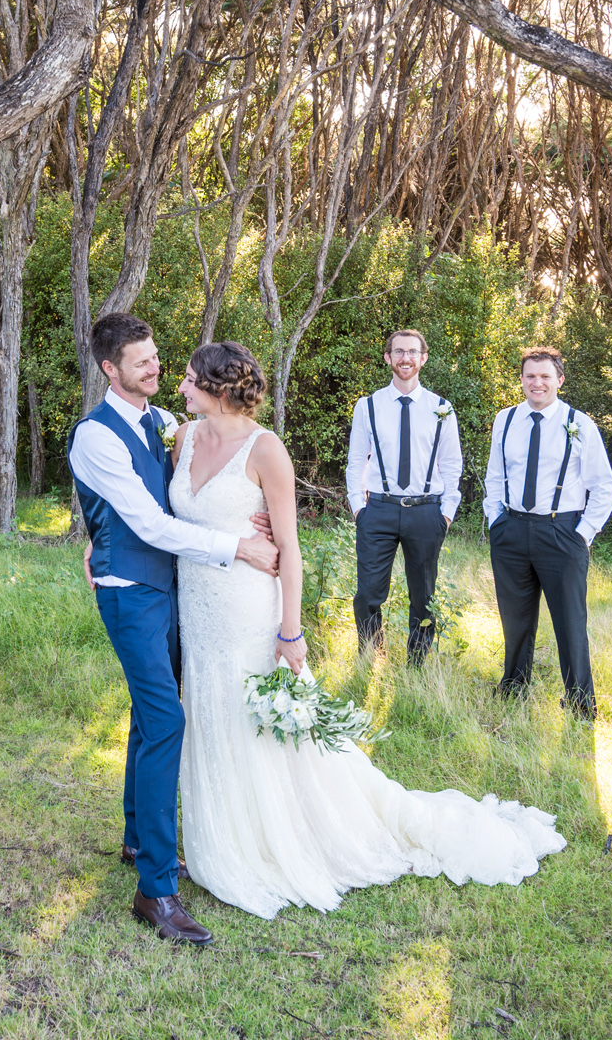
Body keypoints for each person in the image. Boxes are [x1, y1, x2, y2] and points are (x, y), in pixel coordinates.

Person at [172, 341, 566, 919]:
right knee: (208, 714)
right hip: (196, 611)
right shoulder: (180, 437)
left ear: (218, 387)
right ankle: (221, 827)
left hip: (248, 614)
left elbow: (291, 549)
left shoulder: (266, 450)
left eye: (187, 378)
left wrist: (290, 631)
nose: (178, 386)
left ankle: (269, 838)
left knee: (257, 725)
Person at [66, 314, 281, 946]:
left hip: (177, 593)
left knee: (146, 716)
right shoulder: (94, 437)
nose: (155, 369)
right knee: (166, 721)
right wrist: (237, 546)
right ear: (111, 369)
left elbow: (210, 454)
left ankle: (137, 841)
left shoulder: (162, 423)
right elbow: (147, 526)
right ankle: (156, 889)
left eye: (157, 358)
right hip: (131, 594)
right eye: (141, 362)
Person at [482, 346, 612, 716]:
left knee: (570, 621)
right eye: (530, 376)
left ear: (559, 380)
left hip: (562, 532)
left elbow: (603, 486)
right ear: (522, 380)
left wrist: (583, 533)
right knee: (515, 618)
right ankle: (513, 686)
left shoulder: (579, 423)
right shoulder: (505, 419)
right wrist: (496, 520)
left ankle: (579, 701)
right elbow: (495, 475)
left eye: (544, 376)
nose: (536, 383)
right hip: (511, 530)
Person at [345, 328, 463, 664]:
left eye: (412, 352)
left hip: (426, 512)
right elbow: (355, 461)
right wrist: (358, 508)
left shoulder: (442, 408)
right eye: (398, 352)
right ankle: (372, 654)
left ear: (423, 358)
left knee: (423, 595)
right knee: (368, 593)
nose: (405, 358)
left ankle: (417, 663)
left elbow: (452, 464)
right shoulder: (368, 406)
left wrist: (447, 512)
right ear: (388, 358)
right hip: (378, 510)